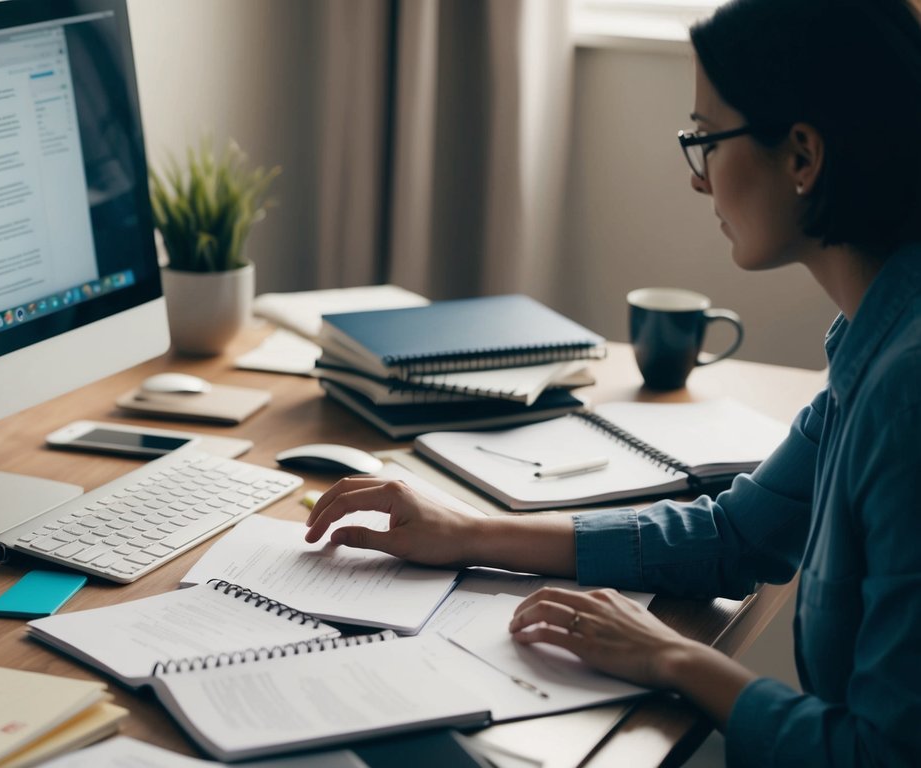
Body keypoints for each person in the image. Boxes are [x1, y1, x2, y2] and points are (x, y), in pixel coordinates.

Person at [304, 0, 921, 764]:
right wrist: (464, 531)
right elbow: (736, 535)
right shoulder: (876, 335)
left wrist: (674, 658)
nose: (697, 182)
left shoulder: (905, 396)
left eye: (704, 139)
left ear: (801, 156)